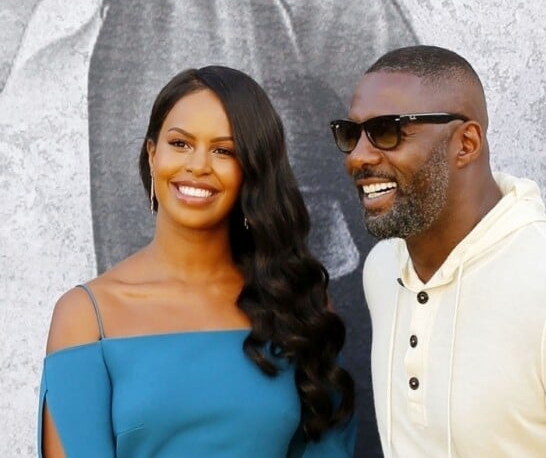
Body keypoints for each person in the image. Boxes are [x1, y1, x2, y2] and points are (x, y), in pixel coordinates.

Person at [39, 66, 356, 457]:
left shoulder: (299, 304)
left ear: (252, 171)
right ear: (152, 154)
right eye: (180, 144)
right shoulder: (86, 316)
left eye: (225, 150)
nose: (198, 165)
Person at [330, 45, 546, 457]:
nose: (357, 156)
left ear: (465, 144)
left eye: (387, 130)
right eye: (350, 133)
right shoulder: (383, 269)